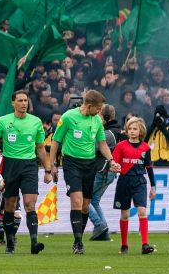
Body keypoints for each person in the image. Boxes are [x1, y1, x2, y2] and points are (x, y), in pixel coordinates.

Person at [48, 90, 120, 254]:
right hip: (71, 163)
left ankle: (78, 239)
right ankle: (78, 242)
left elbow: (102, 144)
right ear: (89, 106)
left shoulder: (97, 121)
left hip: (90, 164)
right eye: (98, 108)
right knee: (77, 201)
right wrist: (51, 165)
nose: (100, 111)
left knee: (86, 206)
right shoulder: (68, 117)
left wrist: (112, 161)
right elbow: (55, 141)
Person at [0, 91, 53, 255]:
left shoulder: (35, 122)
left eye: (26, 100)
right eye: (20, 100)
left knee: (29, 203)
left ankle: (34, 242)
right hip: (10, 164)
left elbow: (40, 148)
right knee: (10, 205)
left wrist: (47, 170)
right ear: (13, 103)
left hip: (29, 165)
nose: (24, 103)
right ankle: (10, 244)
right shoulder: (3, 121)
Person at [112, 117, 156, 255]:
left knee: (142, 211)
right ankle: (124, 245)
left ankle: (145, 244)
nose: (131, 131)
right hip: (124, 181)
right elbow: (113, 163)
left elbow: (149, 168)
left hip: (139, 182)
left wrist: (153, 187)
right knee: (124, 215)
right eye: (129, 129)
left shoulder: (145, 148)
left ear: (140, 131)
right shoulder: (120, 146)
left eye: (134, 129)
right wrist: (113, 167)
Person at [88, 104, 121, 241]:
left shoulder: (108, 134)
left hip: (103, 170)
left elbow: (91, 147)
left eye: (99, 114)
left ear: (105, 117)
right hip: (108, 172)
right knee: (94, 201)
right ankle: (103, 231)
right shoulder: (115, 131)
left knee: (84, 198)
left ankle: (99, 224)